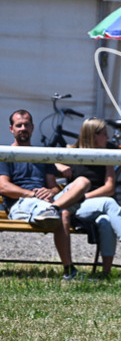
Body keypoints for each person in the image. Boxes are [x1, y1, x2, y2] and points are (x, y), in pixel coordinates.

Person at [55, 117, 121, 276]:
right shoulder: (71, 151)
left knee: (107, 221)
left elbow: (109, 188)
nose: (107, 138)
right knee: (108, 203)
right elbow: (46, 164)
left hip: (91, 204)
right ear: (91, 135)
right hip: (75, 207)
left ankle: (105, 274)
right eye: (104, 134)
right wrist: (58, 166)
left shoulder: (108, 150)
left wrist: (84, 196)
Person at [0, 110, 90, 280]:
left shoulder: (41, 155)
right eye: (19, 125)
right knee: (63, 213)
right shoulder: (5, 154)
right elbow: (3, 187)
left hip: (47, 202)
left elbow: (54, 188)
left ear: (33, 128)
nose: (23, 128)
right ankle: (69, 270)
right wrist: (32, 194)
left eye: (27, 124)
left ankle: (51, 210)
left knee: (83, 181)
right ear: (11, 129)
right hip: (21, 203)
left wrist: (51, 192)